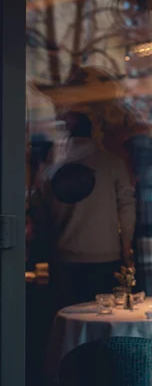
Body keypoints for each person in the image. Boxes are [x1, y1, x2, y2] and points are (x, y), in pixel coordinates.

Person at [30, 111, 136, 310]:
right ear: (92, 132)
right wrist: (126, 248)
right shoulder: (112, 163)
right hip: (106, 254)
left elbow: (39, 213)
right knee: (103, 322)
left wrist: (46, 246)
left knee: (66, 324)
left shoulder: (50, 168)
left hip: (63, 258)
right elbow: (127, 208)